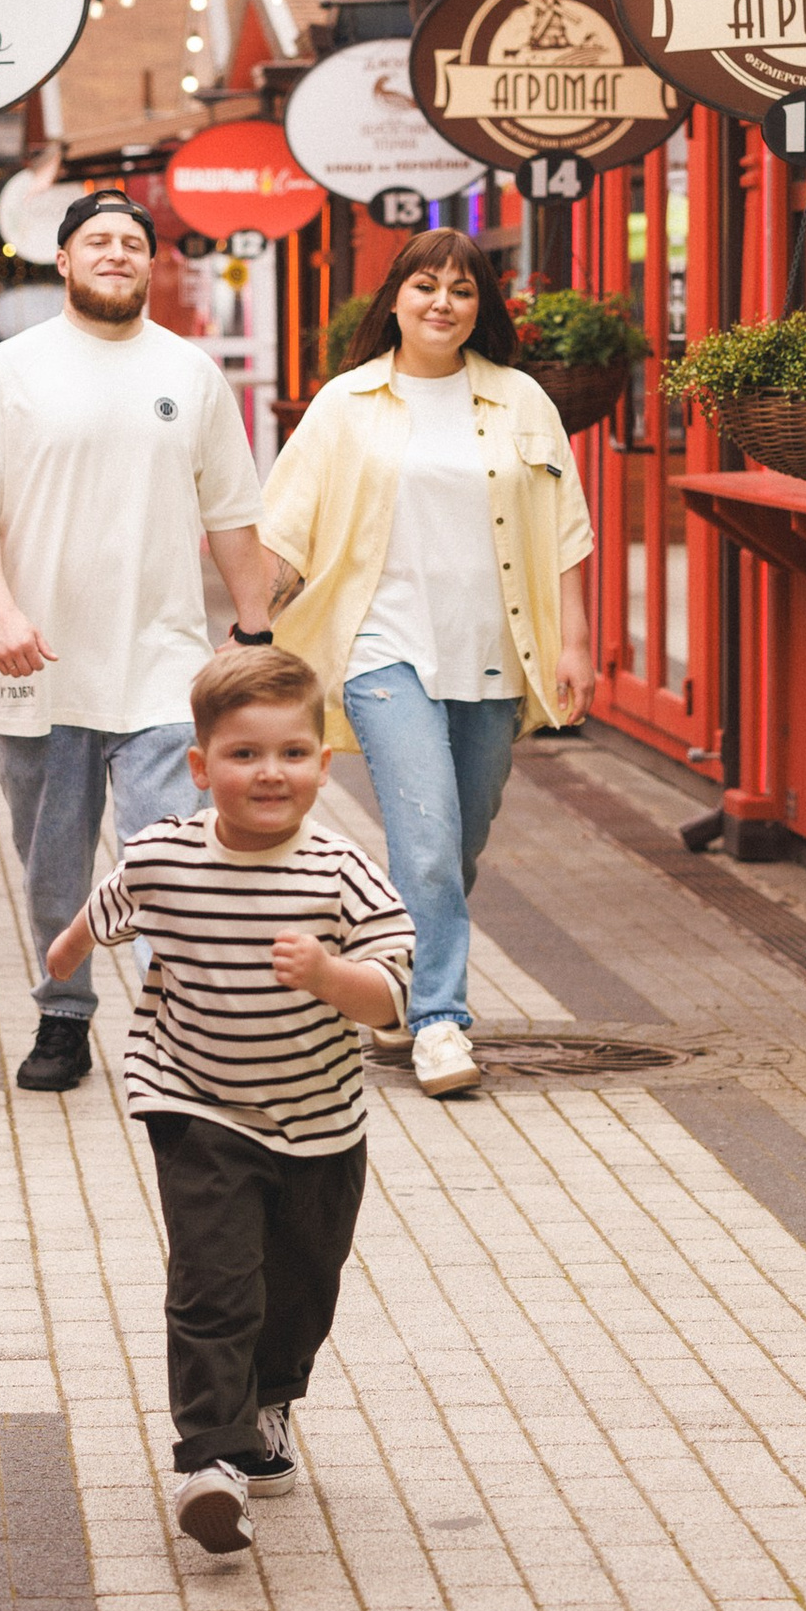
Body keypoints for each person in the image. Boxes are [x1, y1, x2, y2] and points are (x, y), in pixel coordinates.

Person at [47, 643, 414, 1557]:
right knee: (213, 1282)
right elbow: (107, 909)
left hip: (321, 1124)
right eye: (245, 754)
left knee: (300, 1285)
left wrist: (333, 976)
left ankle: (272, 1397)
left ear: (323, 768)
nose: (270, 772)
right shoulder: (164, 854)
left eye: (292, 753)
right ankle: (211, 1459)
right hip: (195, 1100)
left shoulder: (342, 873)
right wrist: (63, 960)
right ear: (202, 767)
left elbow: (395, 1004)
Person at [0, 184, 271, 1093]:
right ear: (65, 261)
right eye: (99, 242)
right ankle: (63, 1013)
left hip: (164, 664)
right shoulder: (13, 370)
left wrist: (256, 633)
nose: (117, 254)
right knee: (52, 863)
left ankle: (179, 1021)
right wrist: (1, 612)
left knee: (168, 850)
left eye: (132, 242)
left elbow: (234, 515)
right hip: (38, 668)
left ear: (151, 263)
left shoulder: (192, 374)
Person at [256, 230, 594, 1103]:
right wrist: (251, 627)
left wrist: (578, 642)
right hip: (383, 649)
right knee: (428, 840)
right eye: (425, 286)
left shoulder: (520, 401)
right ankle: (438, 1018)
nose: (443, 303)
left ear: (482, 309)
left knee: (457, 842)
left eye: (463, 291)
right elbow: (287, 527)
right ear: (395, 300)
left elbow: (565, 529)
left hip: (492, 652)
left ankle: (395, 960)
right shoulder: (347, 404)